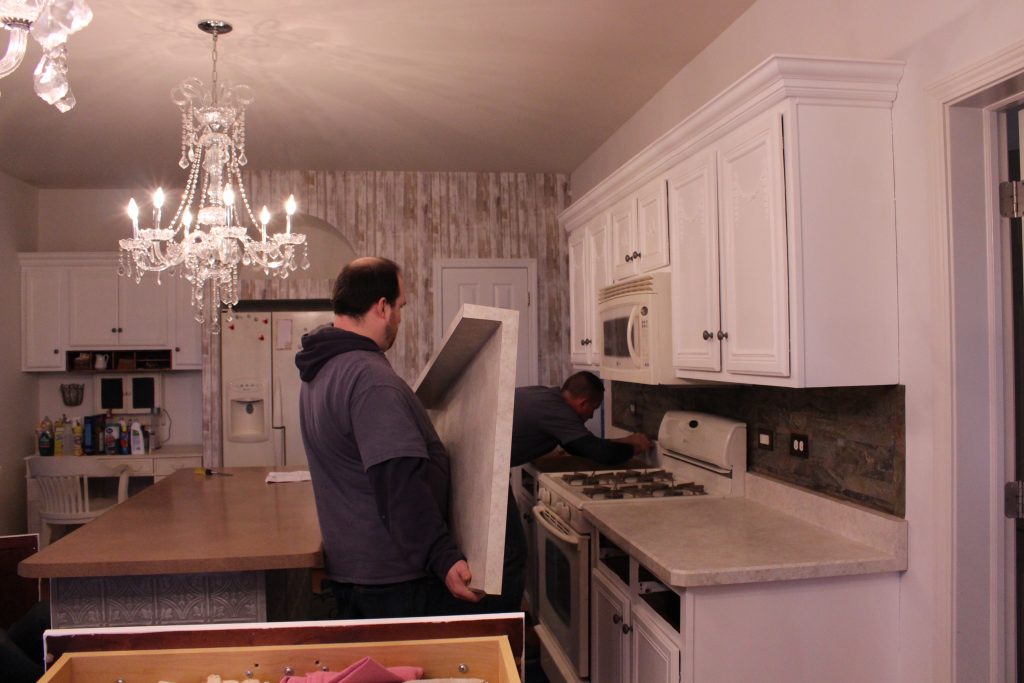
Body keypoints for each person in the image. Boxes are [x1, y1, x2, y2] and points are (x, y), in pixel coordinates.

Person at [295, 256, 480, 619]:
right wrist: (442, 556)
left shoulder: (321, 370)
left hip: (358, 570)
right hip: (393, 579)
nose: (399, 318)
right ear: (382, 307)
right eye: (400, 307)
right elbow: (398, 482)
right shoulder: (370, 379)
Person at [441, 370, 653, 616]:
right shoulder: (557, 411)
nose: (591, 416)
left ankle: (493, 617)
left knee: (497, 556)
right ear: (582, 402)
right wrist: (633, 445)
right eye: (592, 410)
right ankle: (504, 625)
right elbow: (598, 452)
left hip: (468, 468)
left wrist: (624, 440)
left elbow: (571, 444)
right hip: (482, 476)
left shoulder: (545, 395)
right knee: (511, 555)